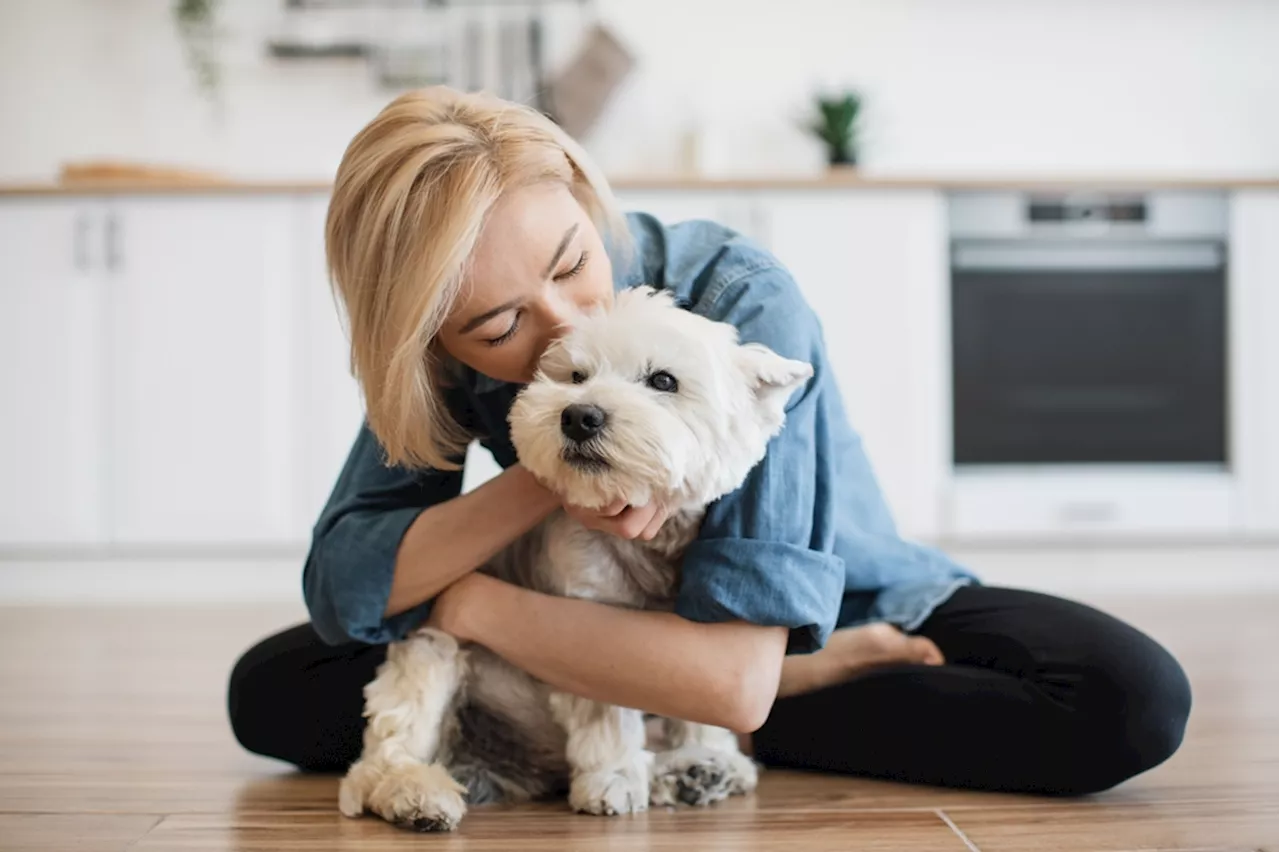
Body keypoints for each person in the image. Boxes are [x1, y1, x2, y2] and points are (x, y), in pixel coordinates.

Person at [227, 87, 1191, 796]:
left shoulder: (742, 296)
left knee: (1125, 697)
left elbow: (728, 677)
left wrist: (464, 600)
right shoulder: (440, 349)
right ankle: (737, 716)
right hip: (580, 611)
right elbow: (345, 581)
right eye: (499, 330)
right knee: (269, 690)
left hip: (819, 604)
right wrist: (550, 473)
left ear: (577, 185)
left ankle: (789, 683)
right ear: (433, 337)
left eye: (571, 262)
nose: (564, 328)